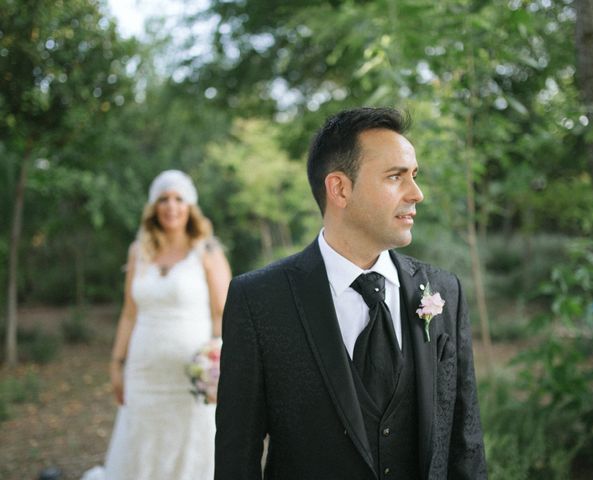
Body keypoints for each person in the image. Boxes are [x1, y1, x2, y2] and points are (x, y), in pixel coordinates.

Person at [215, 107, 487, 479]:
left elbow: (465, 443)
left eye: (415, 176)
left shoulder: (444, 292)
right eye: (396, 177)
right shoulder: (259, 300)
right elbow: (236, 459)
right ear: (340, 188)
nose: (417, 193)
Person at [84, 170, 231, 480]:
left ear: (190, 206)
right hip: (143, 370)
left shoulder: (207, 251)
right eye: (163, 199)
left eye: (179, 198)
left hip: (192, 375)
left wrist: (219, 360)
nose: (171, 206)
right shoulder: (139, 252)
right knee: (140, 439)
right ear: (153, 206)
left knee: (191, 441)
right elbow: (129, 313)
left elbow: (224, 312)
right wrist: (116, 364)